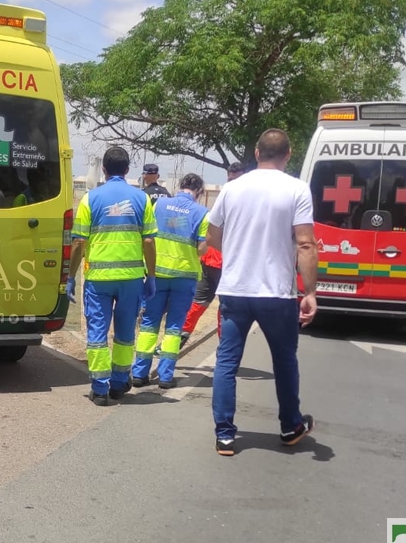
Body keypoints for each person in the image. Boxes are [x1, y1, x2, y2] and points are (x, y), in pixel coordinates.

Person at [204, 129, 318, 457]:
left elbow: (213, 237)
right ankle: (290, 425)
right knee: (284, 361)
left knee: (226, 362)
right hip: (277, 292)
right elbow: (306, 243)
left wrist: (240, 252)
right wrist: (310, 291)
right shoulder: (297, 189)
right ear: (289, 154)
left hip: (235, 289)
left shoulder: (232, 188)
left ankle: (224, 435)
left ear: (256, 153)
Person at [68, 146, 159, 406]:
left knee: (97, 331)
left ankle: (99, 388)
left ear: (104, 170)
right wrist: (151, 276)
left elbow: (78, 243)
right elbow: (150, 242)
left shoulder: (90, 199)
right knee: (125, 331)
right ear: (128, 170)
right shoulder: (142, 199)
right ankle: (119, 383)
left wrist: (71, 276)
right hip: (131, 280)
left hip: (98, 280)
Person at [132, 173, 208, 389]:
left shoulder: (160, 204)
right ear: (199, 192)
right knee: (174, 326)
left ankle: (139, 374)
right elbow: (201, 249)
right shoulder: (203, 213)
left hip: (157, 274)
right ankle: (165, 377)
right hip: (184, 278)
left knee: (149, 323)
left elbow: (149, 236)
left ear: (180, 186)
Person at [182, 161, 246, 343]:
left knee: (217, 307)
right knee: (205, 304)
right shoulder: (235, 198)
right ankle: (181, 339)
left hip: (223, 261)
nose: (231, 183)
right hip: (218, 261)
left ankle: (222, 349)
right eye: (230, 179)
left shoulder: (233, 197)